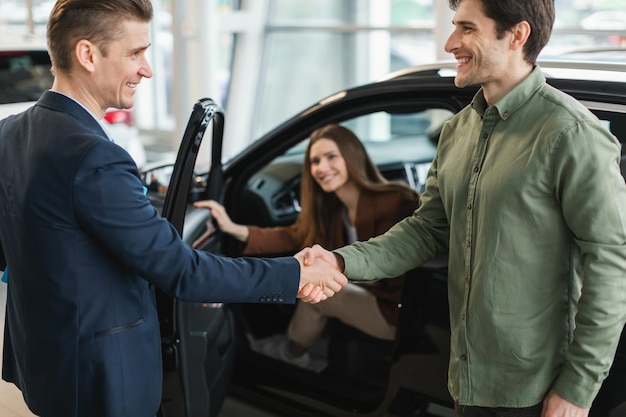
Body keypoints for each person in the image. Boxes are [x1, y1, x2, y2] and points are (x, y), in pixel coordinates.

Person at [0, 1, 346, 417]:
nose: (146, 69)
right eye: (135, 53)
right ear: (88, 55)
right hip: (101, 377)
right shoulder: (93, 156)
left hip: (46, 358)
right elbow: (184, 272)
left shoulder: (12, 131)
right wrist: (295, 272)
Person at [302, 0, 626, 416]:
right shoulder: (458, 131)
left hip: (537, 392)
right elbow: (425, 230)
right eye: (454, 26)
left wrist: (576, 391)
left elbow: (611, 263)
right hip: (466, 379)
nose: (450, 42)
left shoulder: (571, 134)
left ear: (517, 35)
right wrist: (339, 262)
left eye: (467, 28)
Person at [195, 124, 420, 370]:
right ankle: (310, 347)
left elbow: (403, 268)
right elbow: (292, 235)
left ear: (352, 156)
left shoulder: (396, 201)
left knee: (317, 296)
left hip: (398, 312)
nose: (322, 168)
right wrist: (231, 227)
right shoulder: (334, 210)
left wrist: (330, 274)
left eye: (331, 156)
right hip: (375, 297)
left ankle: (292, 354)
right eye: (315, 161)